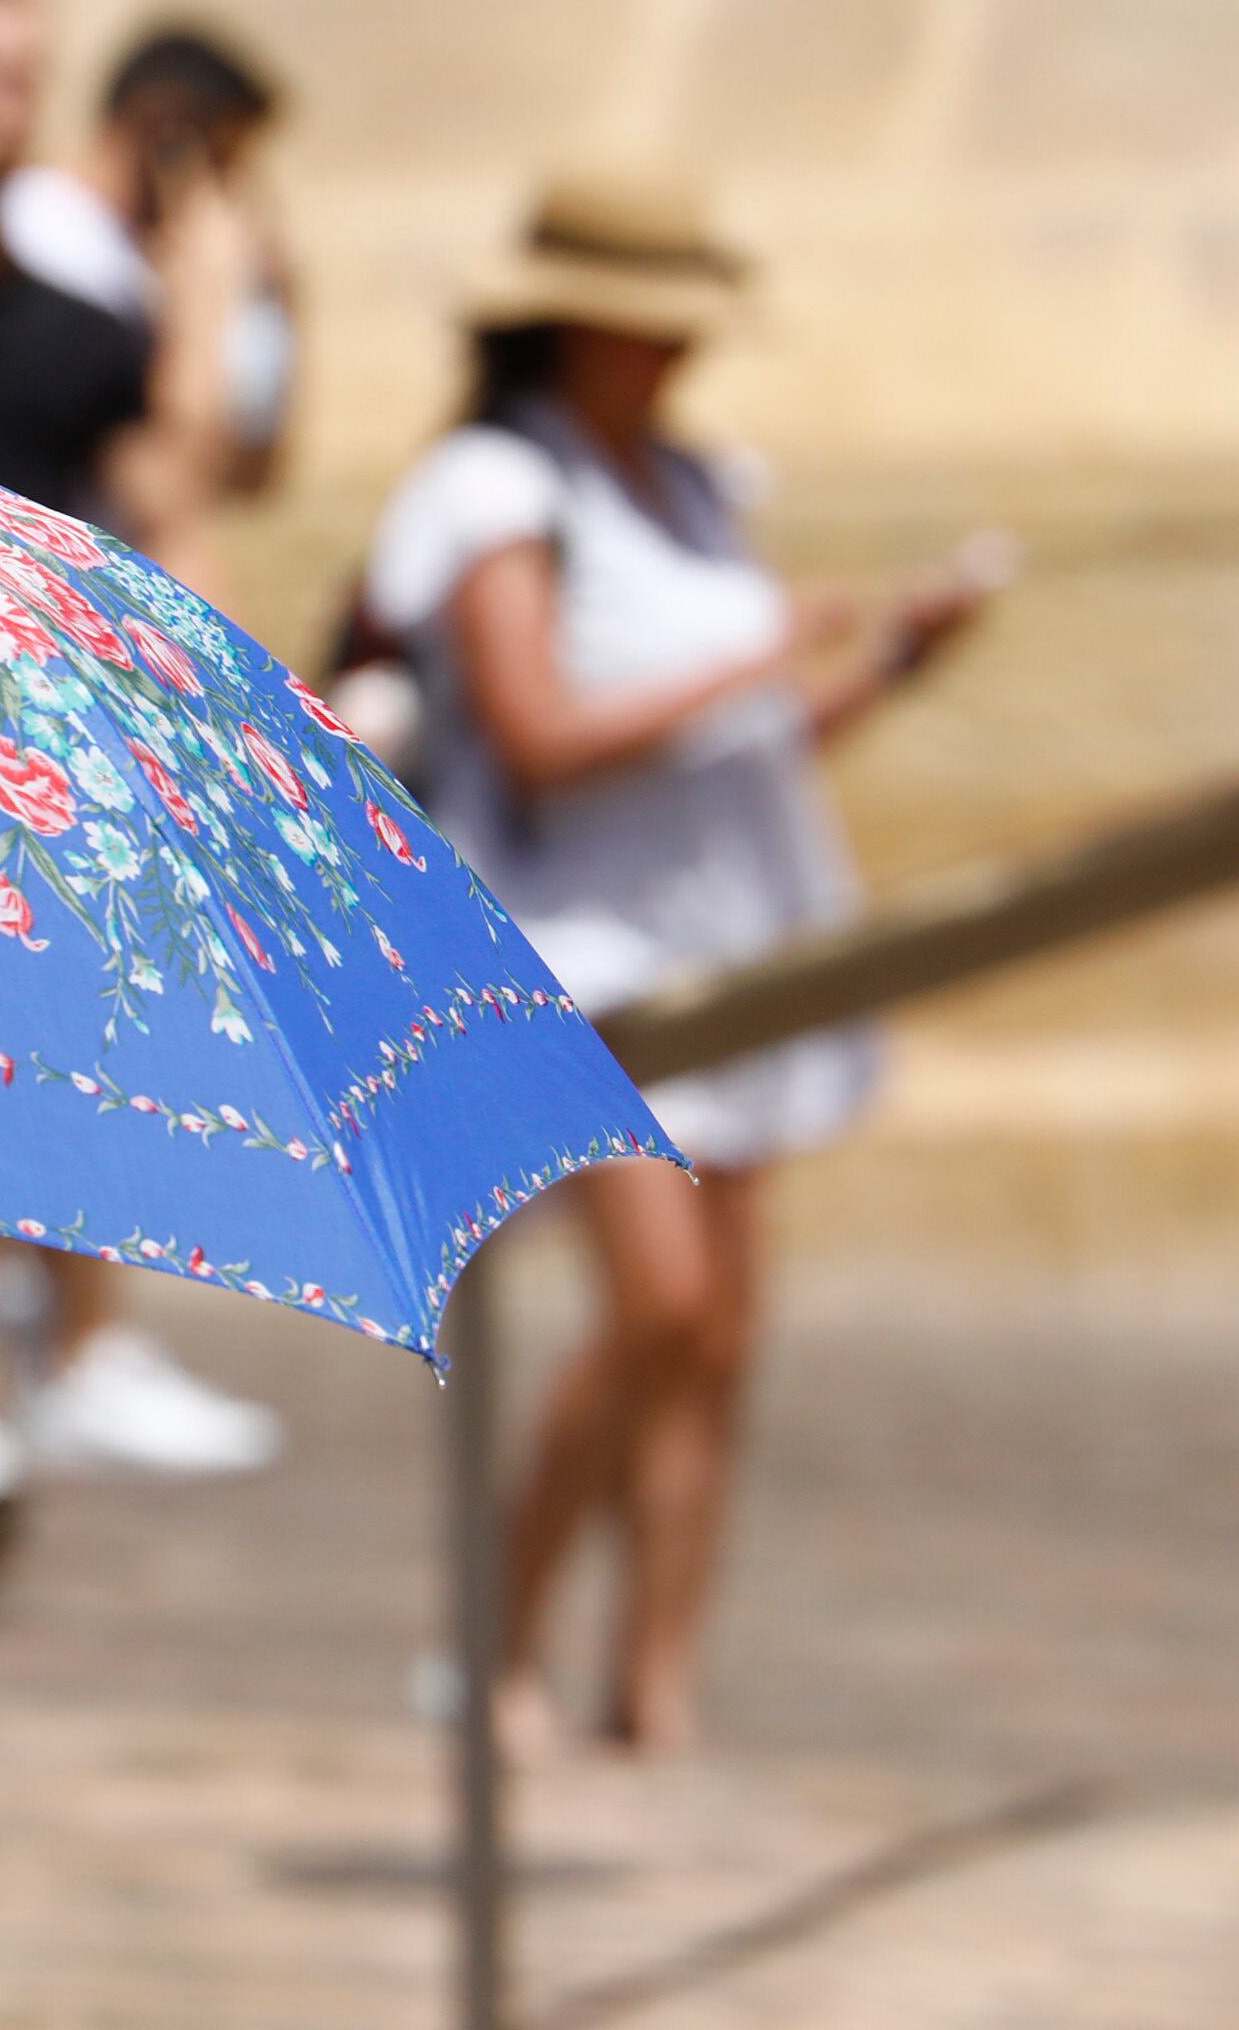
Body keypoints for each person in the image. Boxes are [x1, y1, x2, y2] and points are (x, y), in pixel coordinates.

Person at [361, 168, 998, 1755]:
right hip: (586, 956)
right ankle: (498, 1644)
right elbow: (541, 735)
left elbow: (747, 748)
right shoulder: (495, 488)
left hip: (732, 942)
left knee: (717, 1337)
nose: (680, 358)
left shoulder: (695, 489)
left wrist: (886, 667)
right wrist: (763, 651)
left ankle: (656, 1685)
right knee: (656, 1305)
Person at [0, 0, 281, 1583]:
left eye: (17, 74)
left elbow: (179, 473)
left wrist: (215, 286)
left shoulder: (75, 320)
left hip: (36, 752)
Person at [0, 23, 298, 593]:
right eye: (224, 163)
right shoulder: (47, 240)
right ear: (165, 131)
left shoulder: (138, 262)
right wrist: (208, 303)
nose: (231, 192)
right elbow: (175, 488)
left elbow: (254, 474)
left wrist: (281, 305)